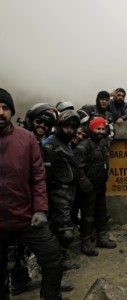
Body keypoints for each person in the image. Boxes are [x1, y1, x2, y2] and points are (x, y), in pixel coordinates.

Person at [0, 88, 63, 300]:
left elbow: (38, 177)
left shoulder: (27, 139)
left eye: (5, 107)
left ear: (12, 111)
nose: (1, 112)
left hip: (26, 216)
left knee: (53, 257)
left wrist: (41, 210)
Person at [42, 109, 81, 278]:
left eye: (73, 127)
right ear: (59, 126)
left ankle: (60, 263)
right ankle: (53, 270)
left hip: (67, 193)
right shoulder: (51, 145)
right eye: (66, 126)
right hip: (56, 194)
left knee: (62, 231)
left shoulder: (66, 143)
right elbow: (44, 176)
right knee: (63, 232)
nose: (70, 130)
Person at [74, 116, 117, 255]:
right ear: (92, 129)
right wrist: (85, 184)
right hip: (88, 187)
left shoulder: (103, 142)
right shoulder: (84, 146)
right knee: (88, 215)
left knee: (102, 212)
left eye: (103, 129)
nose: (100, 131)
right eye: (98, 128)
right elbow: (78, 168)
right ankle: (86, 243)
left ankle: (102, 238)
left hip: (100, 185)